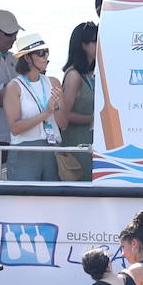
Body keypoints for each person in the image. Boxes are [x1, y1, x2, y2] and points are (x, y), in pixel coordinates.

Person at [3, 32, 65, 181]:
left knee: (52, 201)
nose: (45, 57)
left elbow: (64, 124)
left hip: (51, 149)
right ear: (27, 57)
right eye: (41, 53)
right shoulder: (14, 86)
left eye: (46, 52)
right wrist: (46, 113)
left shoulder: (54, 82)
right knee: (24, 202)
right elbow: (15, 128)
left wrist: (56, 108)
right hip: (25, 151)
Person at [58, 22, 97, 182]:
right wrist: (93, 119)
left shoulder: (92, 75)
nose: (100, 45)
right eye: (96, 41)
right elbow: (63, 115)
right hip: (77, 145)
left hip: (91, 144)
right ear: (83, 45)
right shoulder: (74, 75)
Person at [0, 10, 23, 156]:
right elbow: (0, 99)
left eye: (15, 33)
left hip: (16, 135)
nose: (14, 38)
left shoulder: (16, 59)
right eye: (9, 34)